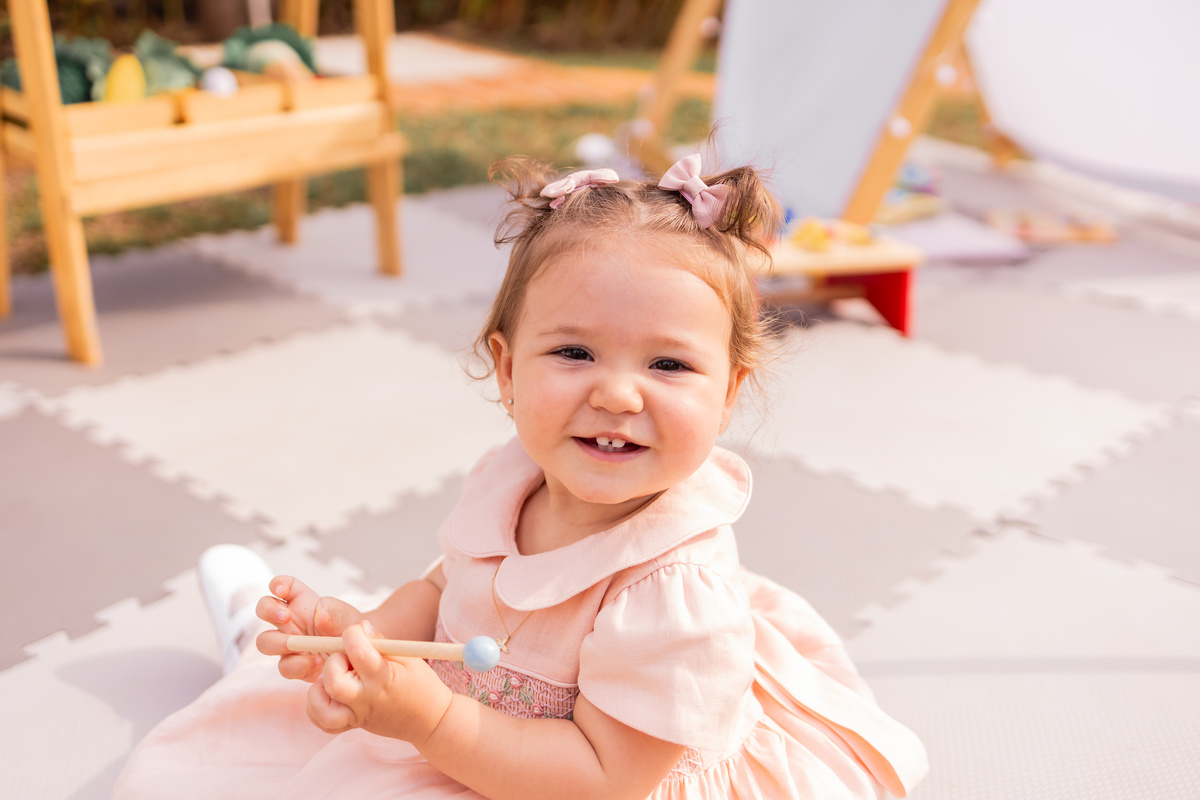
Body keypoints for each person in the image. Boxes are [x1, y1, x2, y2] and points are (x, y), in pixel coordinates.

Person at [114, 154, 927, 799]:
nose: (617, 394)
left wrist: (430, 720)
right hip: (465, 727)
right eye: (574, 352)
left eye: (669, 364)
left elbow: (604, 778)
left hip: (586, 781)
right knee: (268, 728)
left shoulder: (675, 596)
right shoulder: (511, 479)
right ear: (506, 370)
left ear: (728, 394)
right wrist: (362, 633)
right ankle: (256, 645)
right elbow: (447, 589)